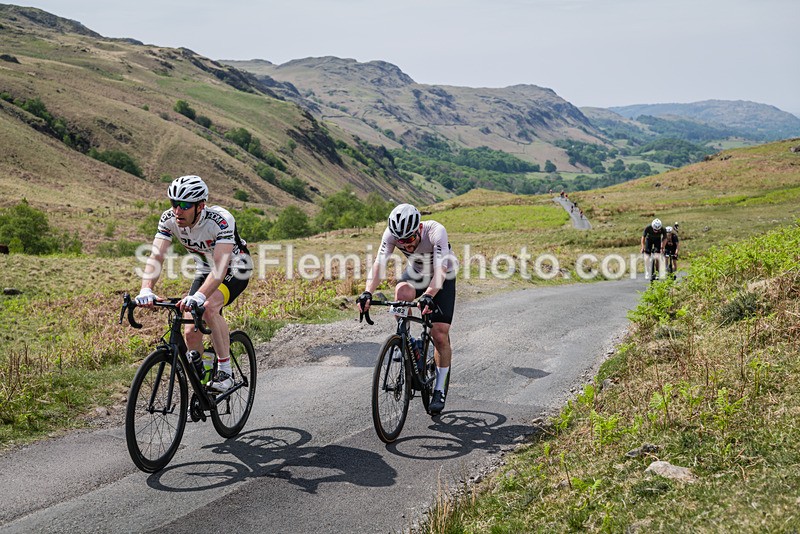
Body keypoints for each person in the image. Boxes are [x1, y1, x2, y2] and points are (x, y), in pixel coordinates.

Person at [135, 175, 251, 392]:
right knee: (189, 331)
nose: (178, 211)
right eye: (174, 203)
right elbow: (156, 256)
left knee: (208, 307)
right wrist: (146, 288)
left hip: (235, 268)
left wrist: (199, 296)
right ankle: (205, 378)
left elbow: (220, 268)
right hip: (205, 270)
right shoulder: (169, 219)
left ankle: (225, 372)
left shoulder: (220, 220)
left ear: (200, 206)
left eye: (185, 205)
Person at [357, 204, 458, 415]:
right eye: (401, 242)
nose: (407, 246)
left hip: (443, 275)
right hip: (418, 272)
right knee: (401, 295)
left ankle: (439, 388)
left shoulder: (435, 231)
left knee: (439, 333)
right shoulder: (391, 234)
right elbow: (379, 264)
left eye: (410, 240)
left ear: (419, 229)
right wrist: (367, 292)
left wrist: (429, 295)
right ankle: (408, 342)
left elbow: (441, 270)